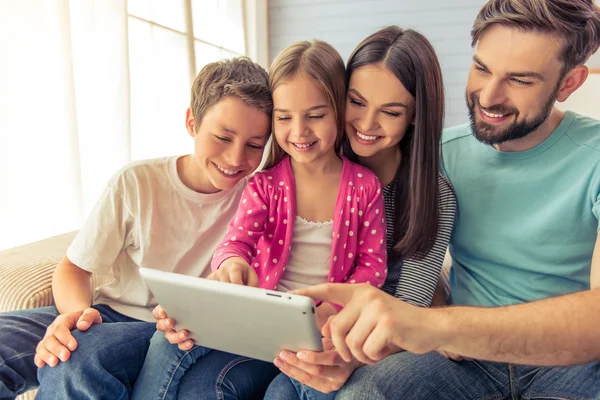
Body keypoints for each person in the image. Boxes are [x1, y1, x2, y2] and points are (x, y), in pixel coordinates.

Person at [293, 0, 600, 398]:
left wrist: (436, 325)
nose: (489, 97)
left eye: (521, 80)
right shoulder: (437, 155)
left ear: (569, 83)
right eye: (482, 69)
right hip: (461, 361)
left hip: (571, 366)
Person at [153, 26, 457, 399]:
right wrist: (227, 271)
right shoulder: (269, 183)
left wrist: (336, 323)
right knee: (188, 365)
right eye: (357, 103)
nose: (365, 124)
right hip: (268, 320)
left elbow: (395, 293)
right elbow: (237, 242)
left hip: (351, 333)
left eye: (390, 111)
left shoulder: (381, 189)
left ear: (414, 115)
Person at [0, 57, 273, 400]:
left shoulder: (261, 198)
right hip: (106, 313)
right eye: (222, 137)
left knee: (78, 357)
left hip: (169, 332)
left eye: (254, 145)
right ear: (192, 122)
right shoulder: (136, 182)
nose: (235, 159)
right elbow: (74, 268)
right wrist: (76, 316)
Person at [131, 39, 388, 400]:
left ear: (339, 111)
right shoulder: (265, 185)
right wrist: (232, 262)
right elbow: (237, 241)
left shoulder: (365, 186)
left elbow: (372, 269)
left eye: (315, 116)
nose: (298, 132)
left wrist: (331, 310)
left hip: (323, 330)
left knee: (287, 393)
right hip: (260, 319)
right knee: (168, 338)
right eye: (284, 118)